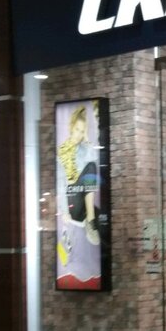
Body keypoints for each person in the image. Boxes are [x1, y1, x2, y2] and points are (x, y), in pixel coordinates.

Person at [56, 103, 102, 288]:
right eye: (76, 130)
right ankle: (90, 220)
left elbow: (94, 165)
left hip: (83, 200)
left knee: (91, 166)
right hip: (71, 201)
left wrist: (88, 142)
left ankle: (91, 219)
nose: (78, 134)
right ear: (71, 128)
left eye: (82, 131)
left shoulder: (85, 149)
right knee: (90, 167)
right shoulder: (62, 151)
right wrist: (64, 211)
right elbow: (60, 185)